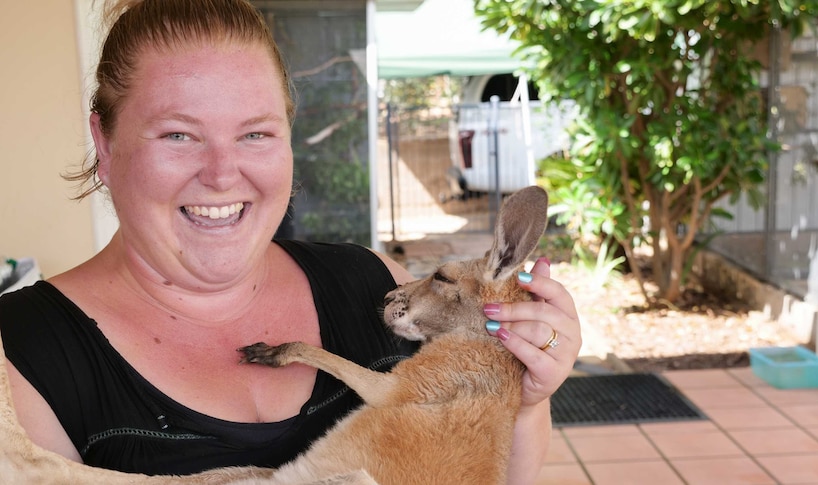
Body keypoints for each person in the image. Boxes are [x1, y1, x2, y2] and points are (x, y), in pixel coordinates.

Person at [0, 0, 581, 482]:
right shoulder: (21, 360)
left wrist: (525, 398)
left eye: (256, 132)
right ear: (104, 142)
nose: (223, 173)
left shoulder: (371, 282)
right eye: (178, 134)